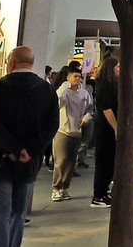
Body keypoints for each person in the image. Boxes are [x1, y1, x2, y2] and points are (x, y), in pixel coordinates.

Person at [0, 47, 58, 247]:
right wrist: (30, 151)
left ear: (11, 62)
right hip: (28, 162)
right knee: (18, 212)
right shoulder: (46, 89)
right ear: (31, 63)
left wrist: (14, 149)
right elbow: (51, 125)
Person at [51, 68, 90, 201]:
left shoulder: (84, 93)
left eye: (79, 77)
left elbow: (91, 109)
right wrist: (65, 86)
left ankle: (64, 187)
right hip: (62, 130)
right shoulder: (64, 92)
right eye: (75, 76)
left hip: (76, 131)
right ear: (68, 77)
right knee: (60, 160)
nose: (77, 79)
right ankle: (56, 187)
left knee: (71, 162)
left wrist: (86, 119)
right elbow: (58, 100)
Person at [89, 59, 119, 208]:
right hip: (104, 130)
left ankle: (103, 191)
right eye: (117, 66)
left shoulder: (111, 84)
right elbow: (107, 109)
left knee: (108, 163)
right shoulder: (105, 86)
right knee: (103, 163)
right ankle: (98, 195)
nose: (119, 69)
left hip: (107, 130)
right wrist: (116, 128)